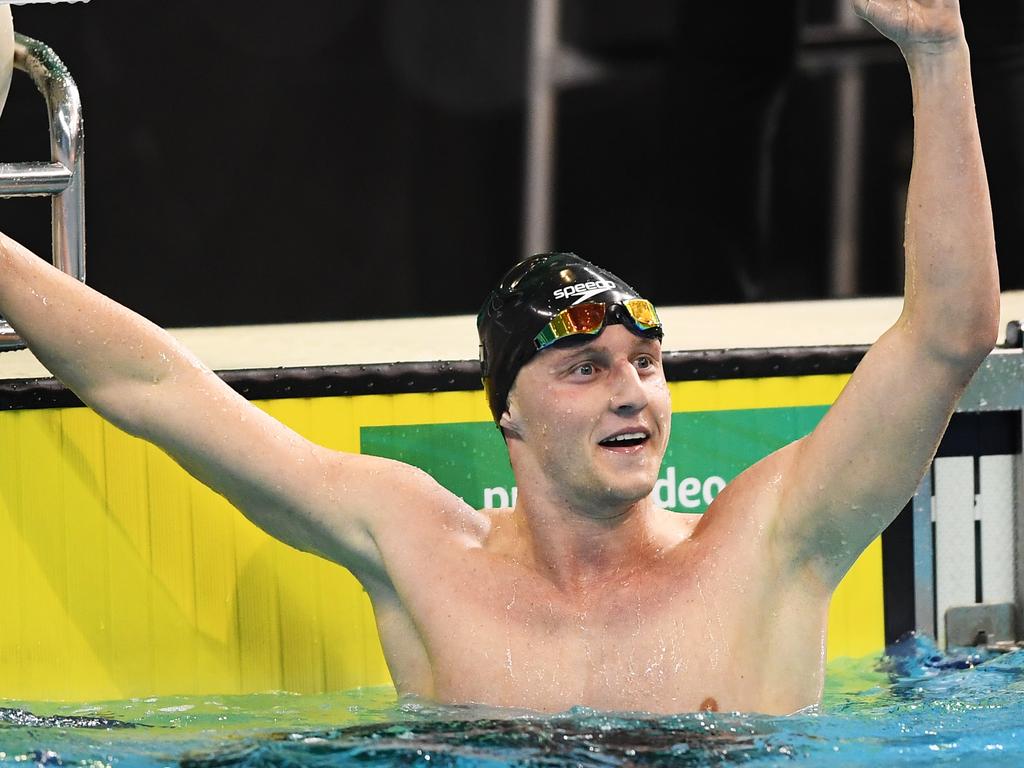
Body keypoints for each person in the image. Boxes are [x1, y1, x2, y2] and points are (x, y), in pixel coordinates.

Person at [0, 0, 998, 714]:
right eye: (584, 368)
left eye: (644, 362)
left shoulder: (765, 548)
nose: (631, 394)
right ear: (507, 413)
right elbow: (151, 383)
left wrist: (935, 50)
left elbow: (948, 340)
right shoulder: (421, 553)